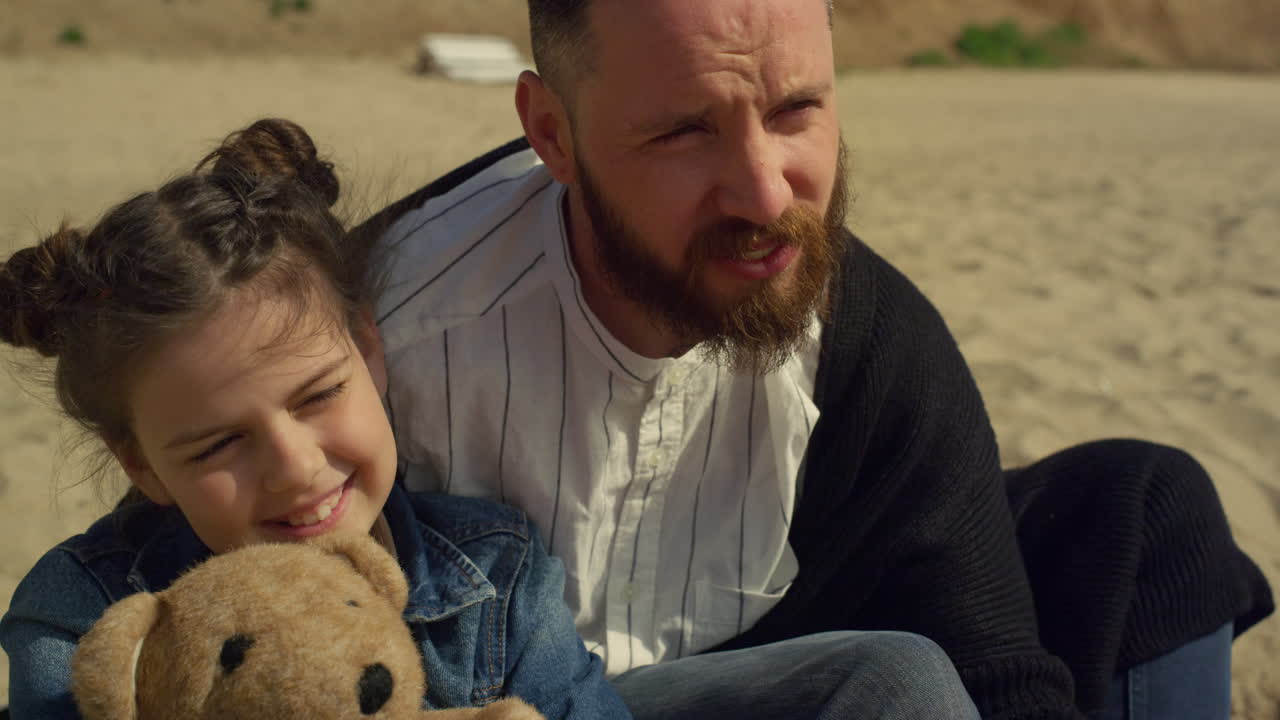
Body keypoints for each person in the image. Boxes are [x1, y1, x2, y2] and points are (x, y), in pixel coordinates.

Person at [358, 0, 1275, 718]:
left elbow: (990, 656)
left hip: (774, 657)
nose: (766, 195)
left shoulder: (866, 334)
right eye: (684, 132)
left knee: (1140, 511)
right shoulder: (384, 342)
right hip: (522, 699)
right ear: (552, 134)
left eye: (796, 110)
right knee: (892, 682)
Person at [0, 119, 633, 720]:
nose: (295, 467)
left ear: (367, 349)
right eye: (219, 444)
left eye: (318, 396)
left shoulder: (499, 574)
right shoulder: (82, 615)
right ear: (141, 464)